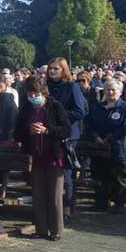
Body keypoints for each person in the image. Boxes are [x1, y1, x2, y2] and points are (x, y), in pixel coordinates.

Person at [14, 76, 71, 240]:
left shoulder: (55, 106)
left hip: (53, 156)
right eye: (29, 94)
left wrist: (47, 130)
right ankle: (41, 229)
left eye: (36, 93)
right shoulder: (26, 108)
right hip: (35, 157)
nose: (33, 97)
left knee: (54, 196)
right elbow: (17, 132)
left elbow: (66, 130)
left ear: (43, 92)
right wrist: (28, 130)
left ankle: (56, 230)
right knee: (38, 195)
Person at [45, 57, 87, 221]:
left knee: (66, 174)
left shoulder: (71, 86)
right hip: (48, 134)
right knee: (50, 172)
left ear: (64, 70)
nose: (52, 71)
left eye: (56, 68)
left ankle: (66, 210)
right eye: (50, 68)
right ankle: (50, 207)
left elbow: (79, 111)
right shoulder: (45, 86)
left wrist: (58, 116)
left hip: (67, 135)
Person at [86, 78, 126, 213]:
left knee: (119, 178)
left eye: (113, 90)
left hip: (119, 149)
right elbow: (89, 123)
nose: (110, 92)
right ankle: (101, 202)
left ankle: (119, 204)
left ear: (120, 92)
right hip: (99, 149)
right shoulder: (97, 107)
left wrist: (109, 138)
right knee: (100, 177)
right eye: (108, 90)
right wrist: (95, 136)